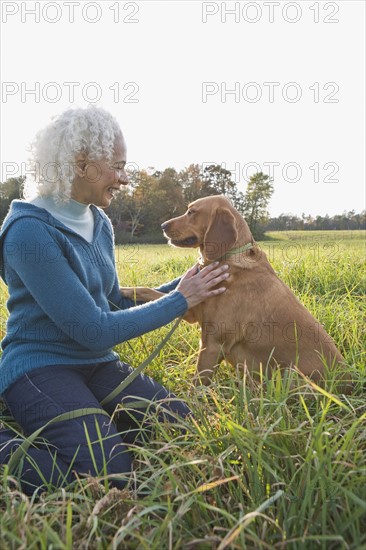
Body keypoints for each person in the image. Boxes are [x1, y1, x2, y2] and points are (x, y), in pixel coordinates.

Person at [0, 106, 229, 495]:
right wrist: (179, 300)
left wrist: (196, 280)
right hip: (39, 369)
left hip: (97, 365)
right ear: (82, 164)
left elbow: (110, 305)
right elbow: (93, 330)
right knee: (109, 474)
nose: (124, 178)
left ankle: (88, 421)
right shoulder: (28, 232)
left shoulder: (99, 222)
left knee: (182, 426)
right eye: (118, 167)